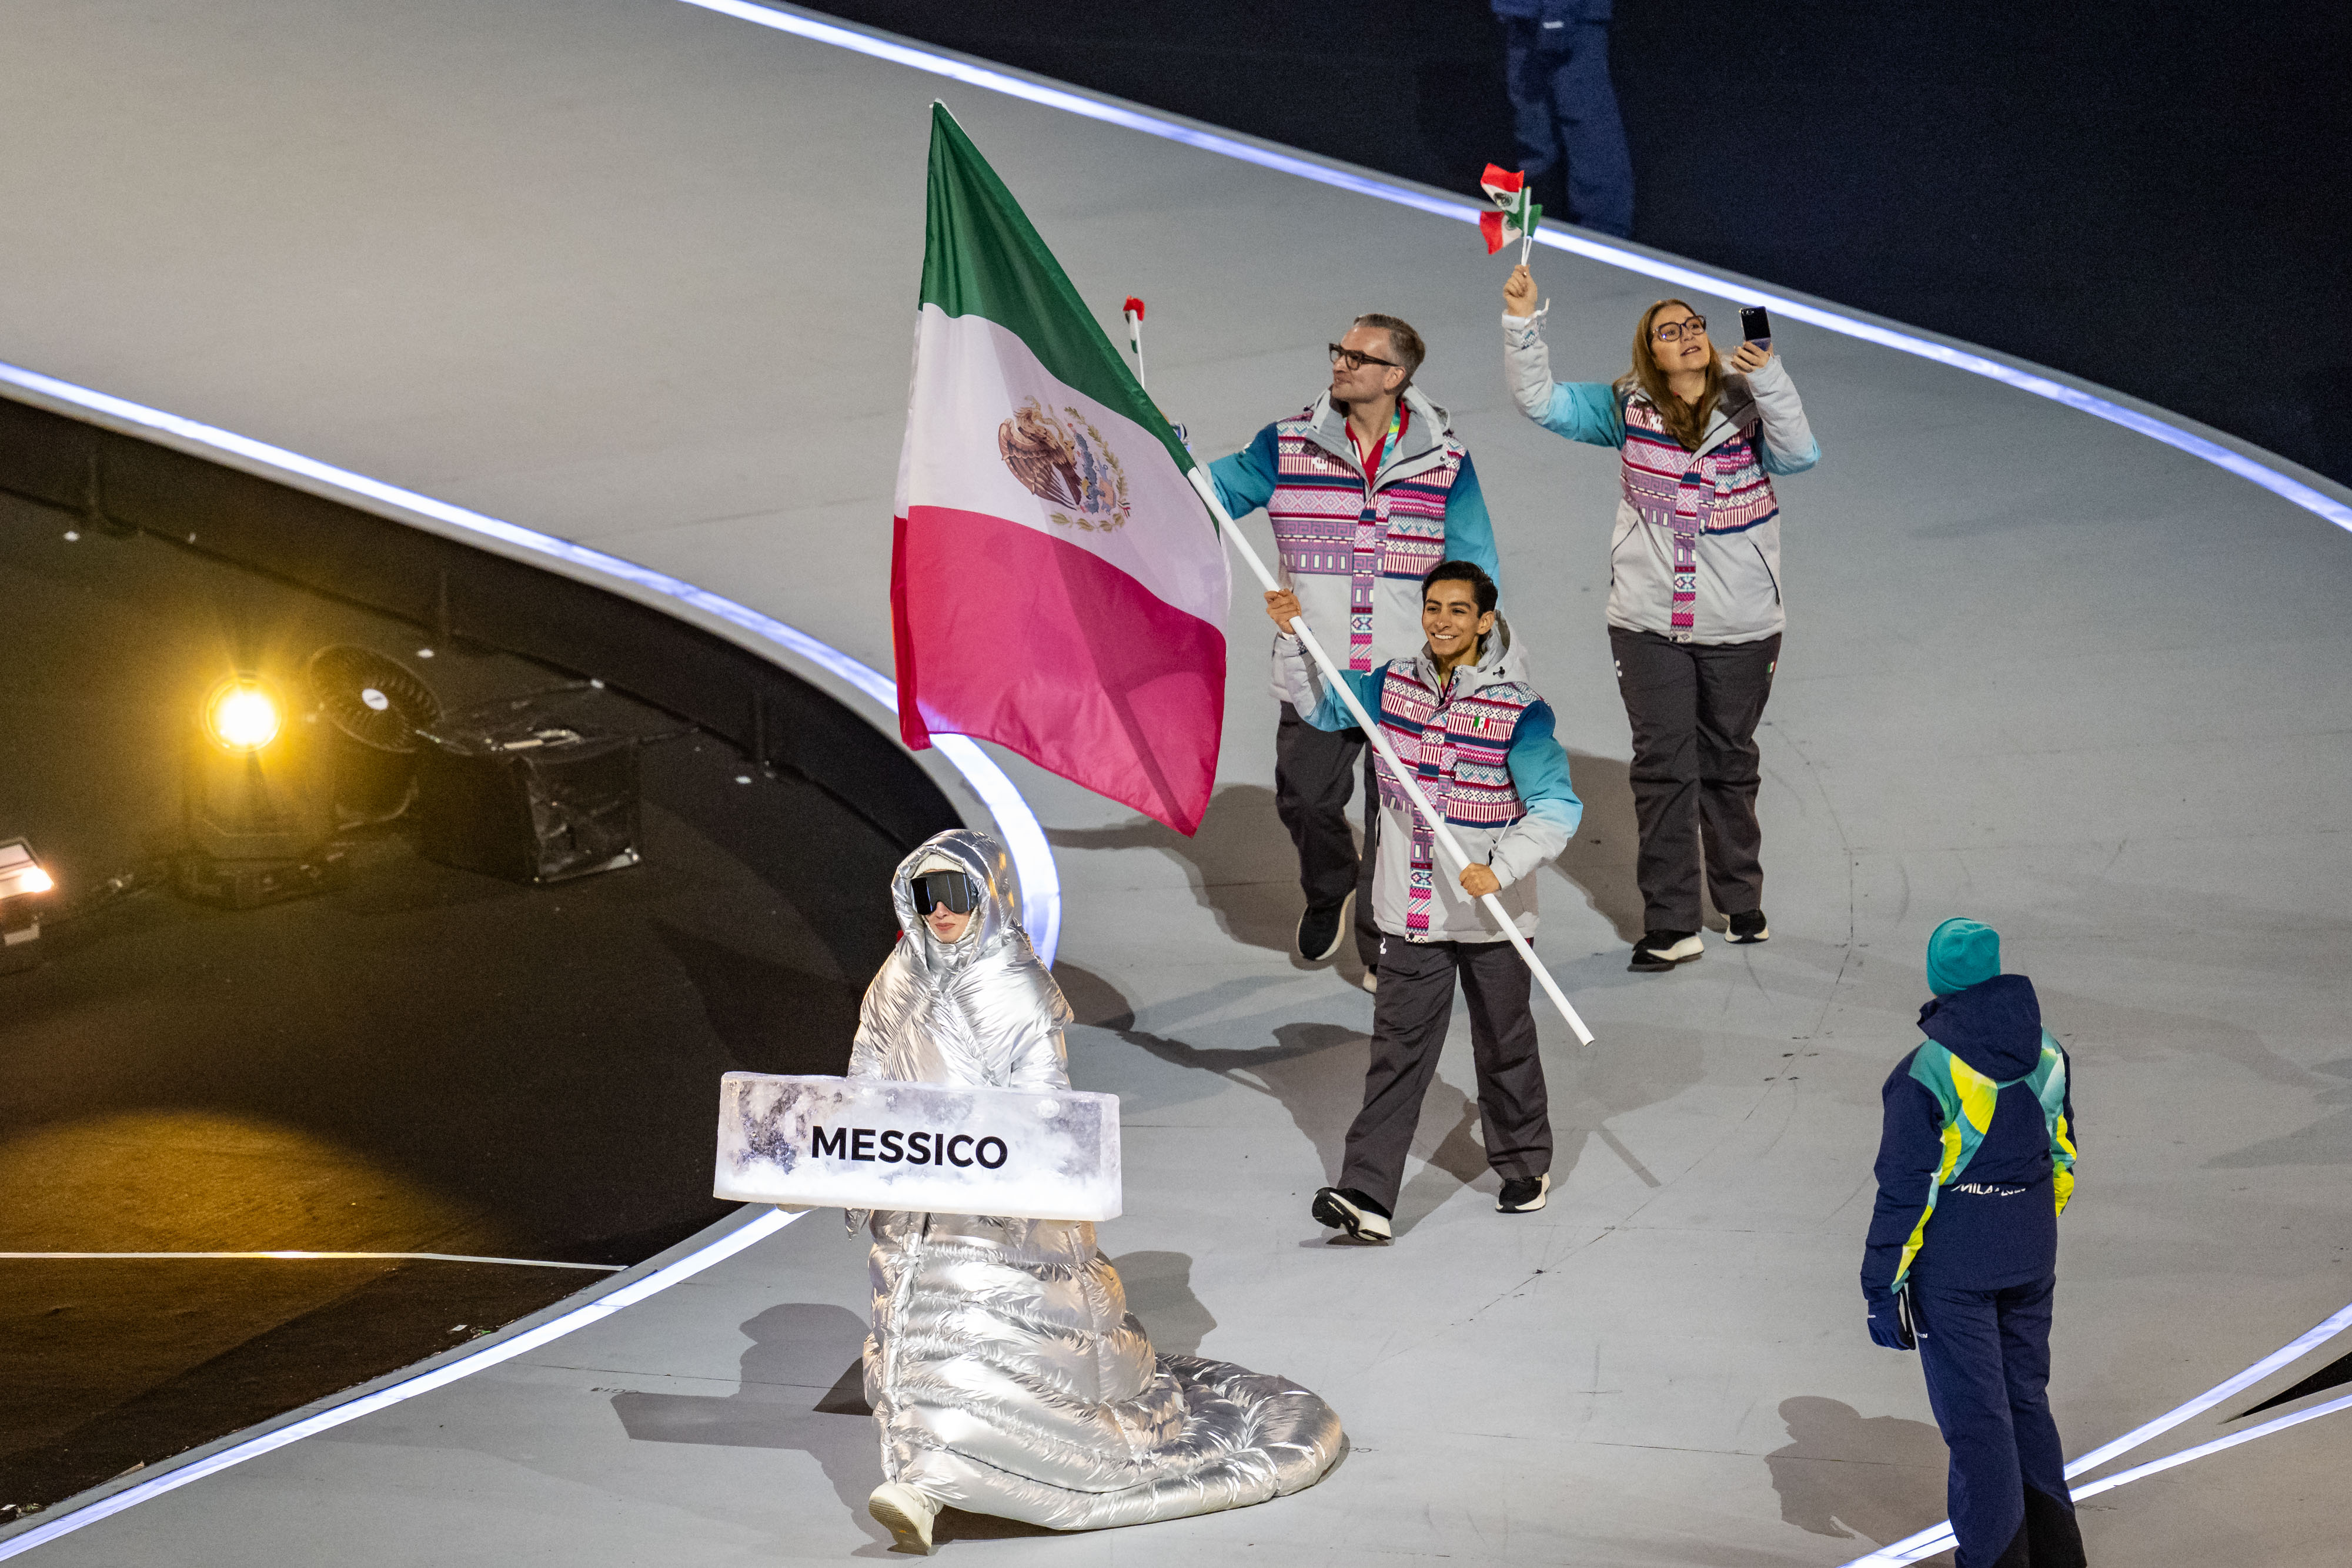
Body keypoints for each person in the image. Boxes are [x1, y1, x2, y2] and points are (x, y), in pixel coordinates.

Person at [848, 828, 1344, 1554]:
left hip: (997, 1209)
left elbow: (1044, 1099)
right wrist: (855, 1156)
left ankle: (926, 1486)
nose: (941, 912)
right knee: (911, 1343)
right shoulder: (901, 975)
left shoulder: (1014, 984)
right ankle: (919, 1481)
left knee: (979, 1341)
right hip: (915, 1204)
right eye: (926, 897)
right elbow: (868, 1060)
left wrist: (1001, 1171)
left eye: (955, 894)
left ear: (985, 896)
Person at [1500, 265, 1819, 972]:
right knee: (1662, 766)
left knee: (1728, 761)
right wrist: (1522, 323)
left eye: (1695, 326)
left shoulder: (1749, 406)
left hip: (1742, 626)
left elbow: (1800, 454)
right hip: (1647, 627)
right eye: (1668, 331)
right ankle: (1672, 922)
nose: (1688, 337)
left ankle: (1740, 900)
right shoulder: (1626, 407)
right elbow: (1540, 402)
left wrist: (1769, 378)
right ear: (1650, 352)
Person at [1265, 561, 1580, 1243]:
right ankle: (1368, 1195)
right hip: (1409, 916)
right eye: (1433, 607)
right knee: (1396, 1054)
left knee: (1504, 1044)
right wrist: (1294, 638)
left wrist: (1501, 870)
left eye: (1458, 611)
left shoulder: (1519, 709)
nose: (1441, 621)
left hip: (1492, 917)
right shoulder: (1389, 685)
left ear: (1485, 620)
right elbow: (1319, 706)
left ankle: (1523, 1162)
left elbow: (1558, 806)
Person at [1212, 316, 1502, 989]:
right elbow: (1216, 493)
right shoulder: (1286, 443)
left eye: (1358, 356)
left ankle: (1380, 947)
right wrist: (1165, 456)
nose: (1340, 363)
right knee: (1307, 800)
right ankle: (1329, 886)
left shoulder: (1445, 462)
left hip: (1410, 674)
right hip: (1316, 667)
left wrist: (1468, 651)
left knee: (1396, 821)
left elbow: (1472, 558)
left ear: (1396, 377)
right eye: (1338, 350)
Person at [1860, 918, 2086, 1568]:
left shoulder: (1925, 1071)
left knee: (1977, 1424)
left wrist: (1882, 1288)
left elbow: (1906, 1193)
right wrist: (2030, 1224)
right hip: (2030, 1249)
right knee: (2026, 1402)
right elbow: (2062, 1153)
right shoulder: (2047, 1049)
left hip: (1956, 1268)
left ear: (1939, 979)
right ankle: (2058, 1557)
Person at [1491, 0, 1634, 238]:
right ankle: (1540, 217)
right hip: (1526, 13)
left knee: (1586, 125)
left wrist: (1559, 13)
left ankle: (1605, 233)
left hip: (1570, 15)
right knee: (1533, 125)